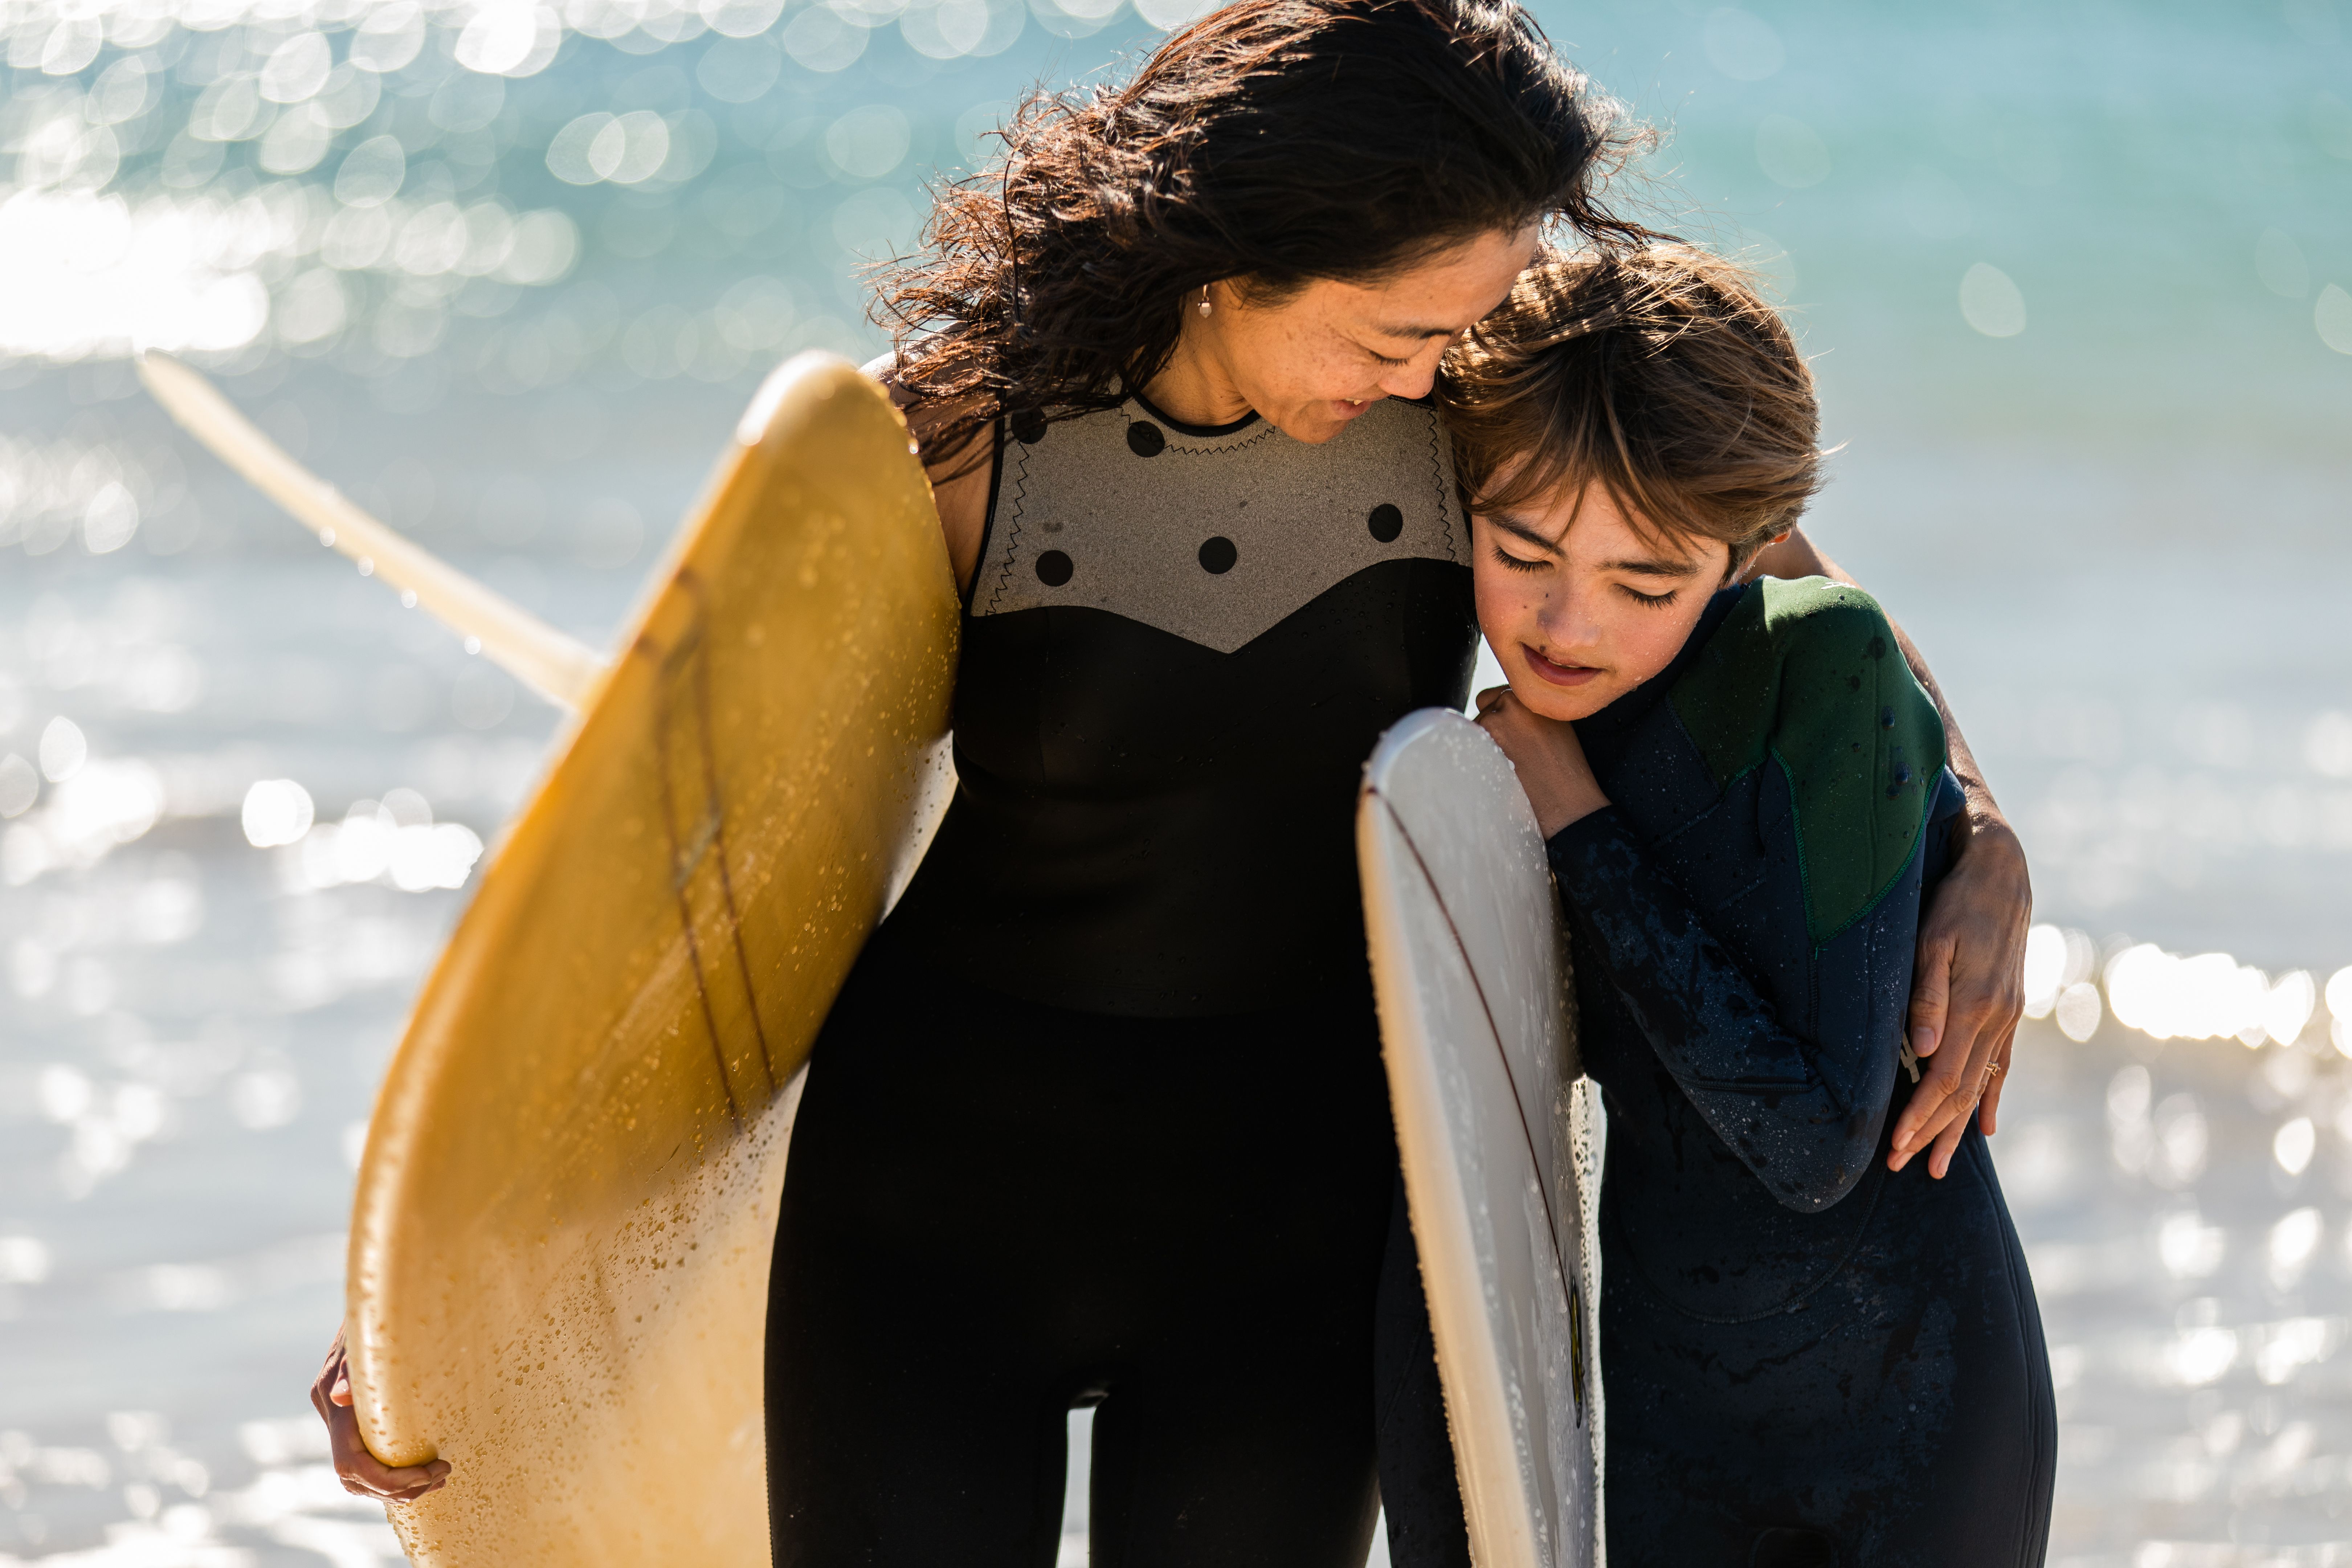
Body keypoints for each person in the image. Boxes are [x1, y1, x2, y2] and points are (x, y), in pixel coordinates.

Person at [314, 4, 2038, 1557]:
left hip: (1295, 1220)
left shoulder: (1475, 424)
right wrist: (447, 1278)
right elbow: (676, 845)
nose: (1434, 368)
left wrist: (1982, 841)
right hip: (932, 1198)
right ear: (1250, 253)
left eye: (1459, 329)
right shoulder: (976, 444)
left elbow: (1808, 612)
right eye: (1398, 327)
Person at [1457, 245, 2054, 1565]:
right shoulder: (1548, 679)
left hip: (1914, 1419)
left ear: (1734, 559)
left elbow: (1811, 1146)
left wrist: (1578, 820)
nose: (1568, 623)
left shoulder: (1819, 670)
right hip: (1674, 1415)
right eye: (1519, 554)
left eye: (1645, 587)